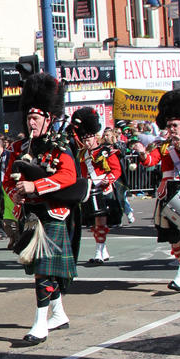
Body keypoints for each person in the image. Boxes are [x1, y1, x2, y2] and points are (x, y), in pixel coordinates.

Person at [3, 73, 79, 343]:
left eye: (36, 118)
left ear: (49, 119)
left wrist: (36, 187)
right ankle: (58, 314)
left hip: (53, 213)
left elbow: (68, 176)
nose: (30, 121)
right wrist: (17, 194)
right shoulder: (18, 148)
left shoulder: (58, 146)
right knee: (40, 267)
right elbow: (7, 179)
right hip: (31, 215)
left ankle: (40, 323)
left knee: (43, 270)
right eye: (28, 117)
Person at [135, 90, 180, 292]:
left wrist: (179, 147)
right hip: (168, 191)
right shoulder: (162, 144)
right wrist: (142, 153)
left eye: (175, 125)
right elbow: (151, 161)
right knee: (173, 237)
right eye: (169, 125)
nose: (171, 129)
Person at [75, 108, 124, 265]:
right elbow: (83, 173)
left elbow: (116, 170)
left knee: (100, 222)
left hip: (104, 188)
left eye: (89, 140)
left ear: (95, 138)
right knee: (95, 222)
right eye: (84, 140)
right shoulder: (83, 155)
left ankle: (99, 251)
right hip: (92, 189)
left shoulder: (106, 151)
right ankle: (103, 249)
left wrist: (107, 180)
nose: (87, 143)